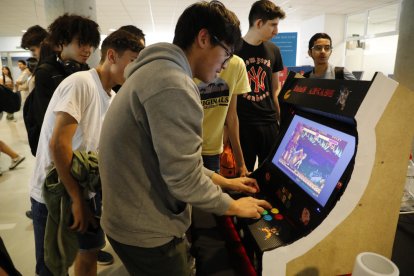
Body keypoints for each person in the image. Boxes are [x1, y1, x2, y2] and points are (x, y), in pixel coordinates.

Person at [99, 1, 271, 275]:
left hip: (127, 219)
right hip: (147, 232)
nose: (225, 65)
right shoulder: (173, 84)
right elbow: (182, 178)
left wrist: (224, 181)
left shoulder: (154, 72)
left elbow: (178, 159)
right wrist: (233, 205)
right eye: (226, 53)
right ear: (204, 38)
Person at [29, 29, 142, 276]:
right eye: (133, 62)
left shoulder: (111, 97)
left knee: (90, 250)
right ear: (112, 55)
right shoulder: (81, 83)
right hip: (55, 194)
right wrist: (76, 198)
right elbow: (58, 145)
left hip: (84, 191)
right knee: (52, 265)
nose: (135, 71)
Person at [26, 14, 100, 276]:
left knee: (86, 248)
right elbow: (53, 130)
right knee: (50, 262)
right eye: (81, 42)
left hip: (77, 172)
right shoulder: (47, 73)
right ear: (60, 43)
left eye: (90, 44)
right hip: (53, 178)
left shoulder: (84, 74)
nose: (87, 49)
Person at [236, 0, 286, 172]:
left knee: (271, 174)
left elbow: (275, 88)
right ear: (258, 23)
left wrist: (281, 119)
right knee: (243, 176)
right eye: (273, 25)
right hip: (243, 125)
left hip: (269, 123)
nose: (276, 31)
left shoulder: (274, 50)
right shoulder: (234, 49)